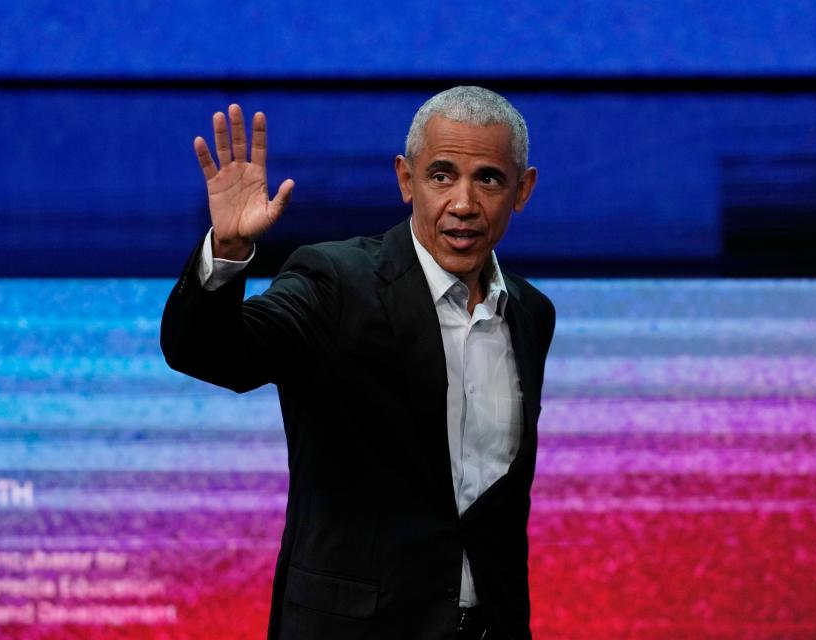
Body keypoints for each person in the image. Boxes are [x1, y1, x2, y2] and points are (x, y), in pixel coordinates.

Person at [161, 86, 555, 640]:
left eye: (488, 178)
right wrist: (227, 252)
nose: (463, 203)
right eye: (441, 175)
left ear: (523, 189)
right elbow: (214, 353)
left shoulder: (531, 314)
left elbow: (496, 510)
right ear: (405, 179)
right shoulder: (337, 282)